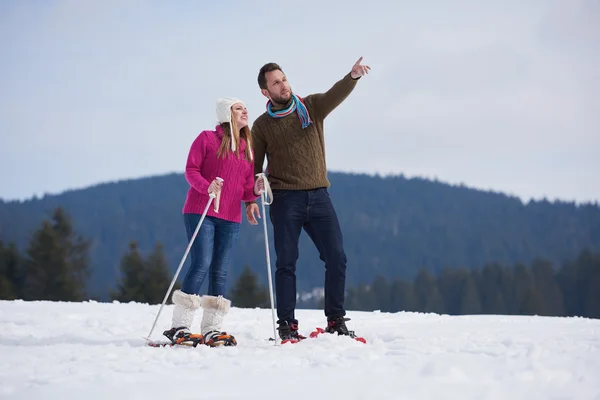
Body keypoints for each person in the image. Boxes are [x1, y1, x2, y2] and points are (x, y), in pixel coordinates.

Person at [245, 57, 370, 342]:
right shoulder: (262, 126)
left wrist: (351, 77)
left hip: (319, 196)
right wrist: (249, 197)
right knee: (287, 262)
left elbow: (334, 96)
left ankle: (336, 320)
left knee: (337, 257)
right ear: (266, 92)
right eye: (275, 82)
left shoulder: (311, 107)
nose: (283, 85)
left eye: (284, 78)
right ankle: (287, 325)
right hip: (285, 200)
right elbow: (254, 167)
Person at [164, 97, 264, 347]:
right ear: (226, 113)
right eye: (238, 107)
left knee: (220, 269)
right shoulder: (207, 139)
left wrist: (254, 196)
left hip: (230, 216)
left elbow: (246, 186)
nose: (245, 110)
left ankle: (212, 329)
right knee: (202, 262)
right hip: (202, 210)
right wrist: (206, 186)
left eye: (245, 107)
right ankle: (180, 326)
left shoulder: (247, 148)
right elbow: (191, 170)